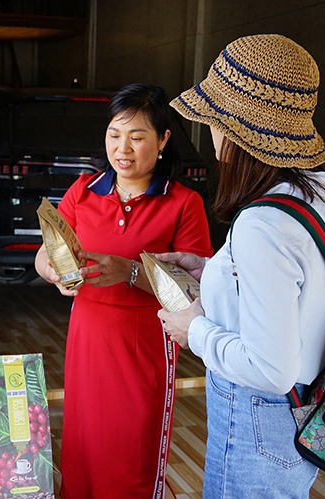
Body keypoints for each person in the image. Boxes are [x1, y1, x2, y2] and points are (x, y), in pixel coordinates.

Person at [158, 34, 325, 497]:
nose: (209, 134)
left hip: (258, 419)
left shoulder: (262, 223)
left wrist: (195, 332)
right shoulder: (316, 190)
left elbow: (270, 369)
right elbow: (295, 293)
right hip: (297, 412)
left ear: (233, 128)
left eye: (211, 120)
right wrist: (211, 271)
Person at [34, 83, 213, 498]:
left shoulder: (183, 203)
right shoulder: (84, 190)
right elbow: (47, 253)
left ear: (164, 140)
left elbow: (198, 289)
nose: (123, 148)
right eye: (115, 135)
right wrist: (54, 273)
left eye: (137, 137)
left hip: (145, 345)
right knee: (84, 447)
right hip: (88, 338)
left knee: (133, 454)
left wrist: (131, 273)